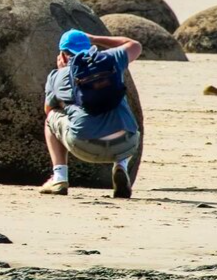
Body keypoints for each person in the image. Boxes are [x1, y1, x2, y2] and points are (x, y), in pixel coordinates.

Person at [40, 29, 142, 199]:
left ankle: (59, 177)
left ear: (63, 56)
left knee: (50, 120)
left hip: (84, 146)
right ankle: (121, 165)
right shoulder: (112, 60)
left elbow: (48, 110)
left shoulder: (57, 76)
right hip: (127, 144)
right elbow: (135, 45)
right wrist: (95, 38)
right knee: (120, 105)